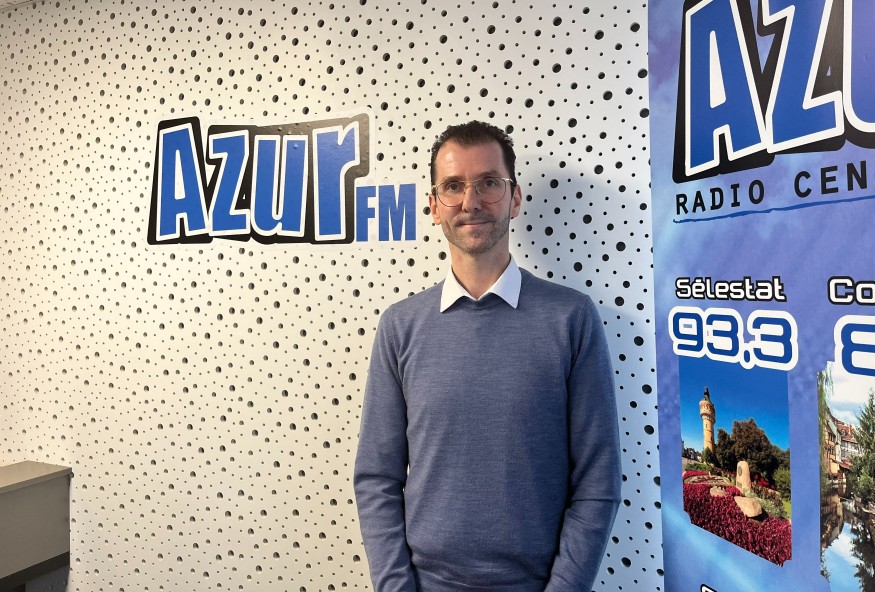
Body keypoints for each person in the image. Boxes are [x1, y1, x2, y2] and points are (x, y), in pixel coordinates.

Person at [353, 120, 621, 592]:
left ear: (515, 198)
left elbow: (598, 482)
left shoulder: (572, 319)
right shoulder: (399, 326)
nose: (471, 201)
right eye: (453, 186)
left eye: (489, 183)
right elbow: (376, 478)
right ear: (434, 206)